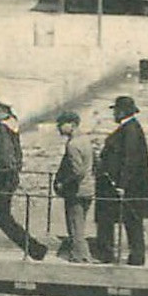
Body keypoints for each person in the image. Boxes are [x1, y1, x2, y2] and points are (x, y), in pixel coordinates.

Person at [0, 97, 47, 260]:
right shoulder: (12, 127)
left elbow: (5, 157)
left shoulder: (1, 129)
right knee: (3, 219)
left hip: (1, 178)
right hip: (9, 178)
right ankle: (36, 249)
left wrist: (2, 174)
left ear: (1, 110)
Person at [96, 95, 148, 265]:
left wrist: (122, 184)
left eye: (116, 111)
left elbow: (130, 159)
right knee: (131, 221)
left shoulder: (130, 130)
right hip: (127, 185)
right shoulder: (130, 128)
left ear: (122, 112)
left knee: (116, 219)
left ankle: (109, 255)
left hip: (124, 186)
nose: (114, 115)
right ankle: (134, 257)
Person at [53, 111, 97, 263]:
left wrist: (62, 183)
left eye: (60, 125)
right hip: (88, 189)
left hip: (76, 191)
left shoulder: (73, 145)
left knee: (75, 227)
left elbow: (78, 171)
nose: (58, 128)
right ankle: (81, 255)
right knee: (80, 224)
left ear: (71, 125)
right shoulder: (85, 140)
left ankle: (80, 258)